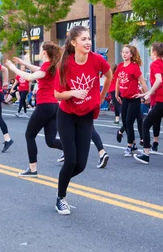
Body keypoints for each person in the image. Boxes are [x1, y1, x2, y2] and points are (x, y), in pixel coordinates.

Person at [54, 26, 112, 215]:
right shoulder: (65, 64)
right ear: (73, 43)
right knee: (70, 161)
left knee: (81, 165)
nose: (88, 42)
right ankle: (61, 197)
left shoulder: (96, 60)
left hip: (86, 115)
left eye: (89, 39)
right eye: (83, 39)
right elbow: (57, 94)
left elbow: (109, 74)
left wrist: (102, 96)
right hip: (67, 115)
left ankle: (63, 180)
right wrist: (73, 93)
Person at [5, 42, 64, 177]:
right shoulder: (52, 66)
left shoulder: (48, 67)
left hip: (45, 105)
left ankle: (32, 169)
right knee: (50, 140)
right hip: (55, 106)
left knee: (29, 135)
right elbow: (38, 70)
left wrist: (13, 67)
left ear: (44, 52)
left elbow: (30, 77)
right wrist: (24, 63)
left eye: (41, 50)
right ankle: (71, 150)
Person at [114, 45, 149, 157]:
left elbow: (143, 82)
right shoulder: (120, 66)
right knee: (124, 121)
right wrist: (116, 94)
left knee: (129, 121)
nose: (124, 54)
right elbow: (118, 81)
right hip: (124, 98)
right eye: (123, 52)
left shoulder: (134, 67)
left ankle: (129, 146)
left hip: (134, 99)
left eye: (127, 52)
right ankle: (133, 143)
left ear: (131, 55)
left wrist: (147, 95)